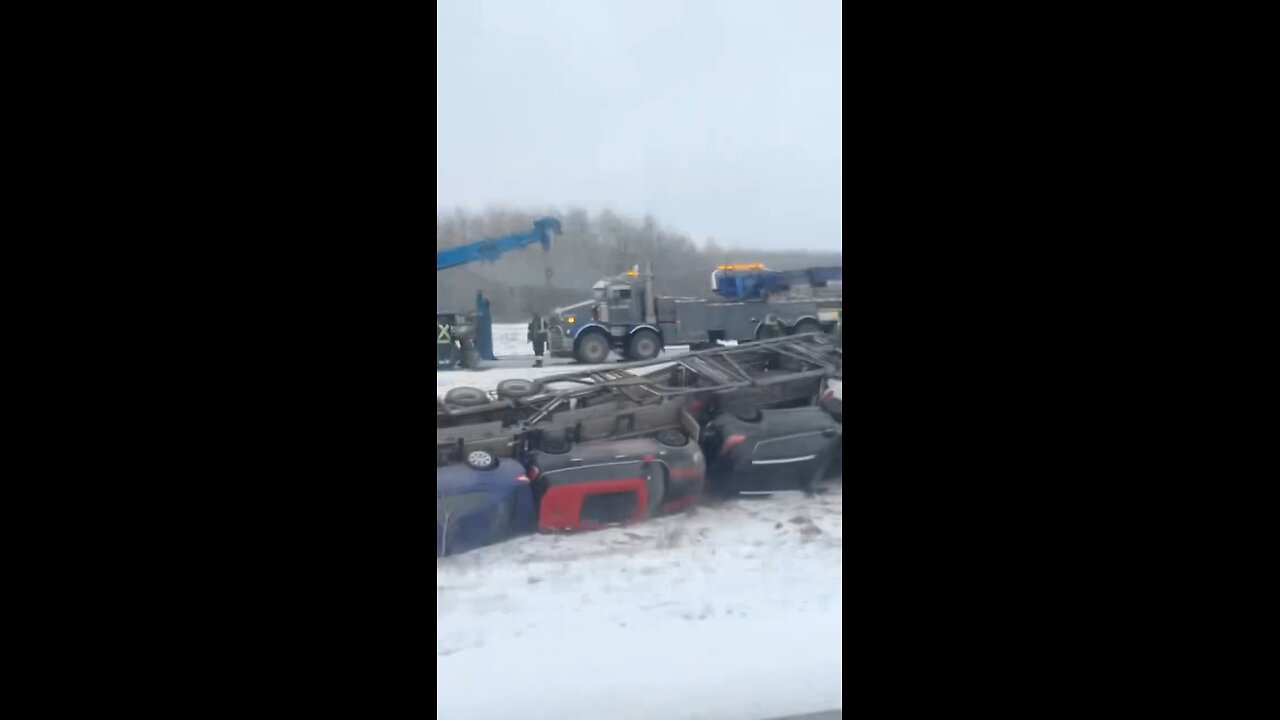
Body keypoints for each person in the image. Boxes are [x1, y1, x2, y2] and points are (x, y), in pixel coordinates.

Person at [475, 291, 496, 361]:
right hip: (484, 322)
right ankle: (485, 354)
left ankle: (483, 354)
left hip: (483, 322)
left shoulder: (480, 306)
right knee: (484, 340)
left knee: (482, 340)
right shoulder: (482, 307)